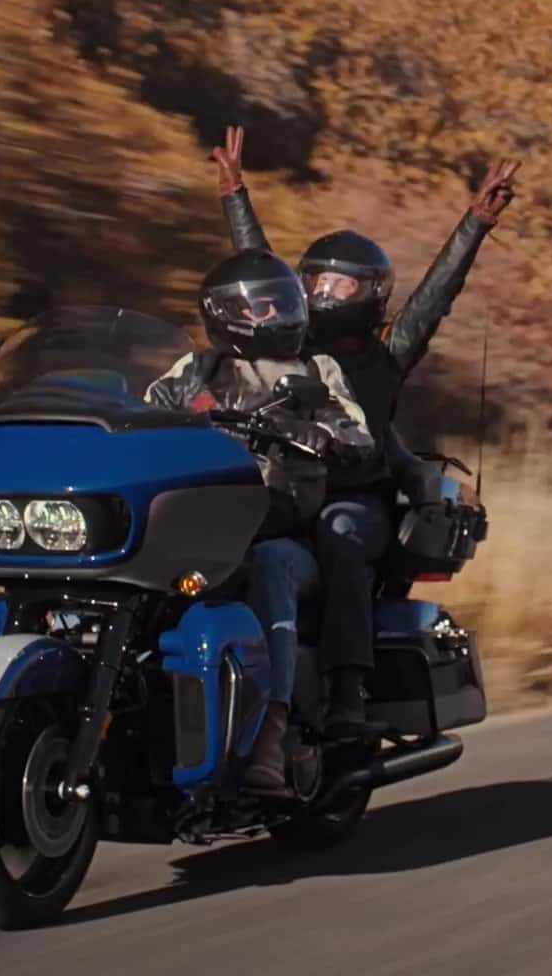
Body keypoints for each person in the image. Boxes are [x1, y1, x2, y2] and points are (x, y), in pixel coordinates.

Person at [211, 125, 520, 735]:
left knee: (341, 533)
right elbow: (260, 272)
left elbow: (434, 297)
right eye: (316, 280)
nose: (324, 292)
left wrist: (475, 224)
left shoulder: (388, 353)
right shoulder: (291, 343)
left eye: (340, 283)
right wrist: (234, 196)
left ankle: (348, 691)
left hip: (356, 500)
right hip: (284, 492)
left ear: (371, 293)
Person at [145, 247, 375, 790]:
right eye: (259, 307)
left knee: (271, 565)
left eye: (280, 304)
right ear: (228, 314)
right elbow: (143, 410)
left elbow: (357, 432)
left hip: (283, 533)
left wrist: (326, 434)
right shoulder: (194, 371)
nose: (274, 316)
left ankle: (270, 733)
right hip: (196, 531)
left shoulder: (315, 369)